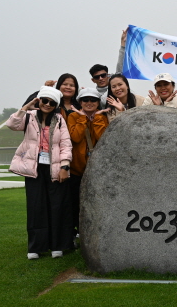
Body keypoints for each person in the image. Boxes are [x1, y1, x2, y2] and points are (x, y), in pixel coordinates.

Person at [6, 86, 73, 260]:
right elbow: (11, 124)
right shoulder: (29, 117)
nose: (48, 104)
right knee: (36, 207)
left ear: (56, 105)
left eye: (52, 102)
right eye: (45, 100)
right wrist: (25, 108)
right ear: (39, 100)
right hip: (34, 168)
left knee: (56, 207)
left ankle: (57, 245)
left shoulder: (59, 120)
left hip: (54, 168)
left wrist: (65, 167)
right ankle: (36, 247)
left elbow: (66, 144)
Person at [67, 88, 110, 241]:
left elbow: (102, 138)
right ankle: (76, 230)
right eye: (85, 100)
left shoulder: (102, 117)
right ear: (80, 102)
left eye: (93, 100)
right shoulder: (73, 116)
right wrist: (82, 119)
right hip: (77, 169)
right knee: (75, 202)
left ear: (98, 102)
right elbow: (75, 137)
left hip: (96, 169)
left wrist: (97, 119)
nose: (89, 103)